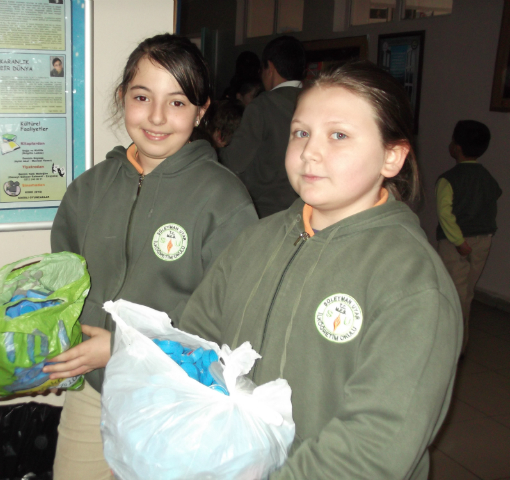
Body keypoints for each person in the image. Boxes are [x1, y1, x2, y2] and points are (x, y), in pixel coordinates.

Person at [179, 60, 462, 479]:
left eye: (339, 135)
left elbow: (373, 447)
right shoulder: (255, 240)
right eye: (301, 132)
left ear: (392, 157)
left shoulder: (412, 282)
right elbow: (193, 344)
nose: (310, 150)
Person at [45, 33, 258, 480]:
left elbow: (230, 325)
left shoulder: (224, 199)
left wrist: (123, 349)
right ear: (123, 97)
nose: (157, 117)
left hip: (176, 398)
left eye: (178, 103)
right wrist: (57, 343)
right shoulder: (88, 189)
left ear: (202, 111)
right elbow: (63, 287)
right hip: (93, 394)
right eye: (142, 97)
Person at [220, 35, 306, 218]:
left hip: (266, 212)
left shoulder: (263, 106)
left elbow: (235, 162)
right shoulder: (316, 100)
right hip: (305, 209)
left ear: (270, 68)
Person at [436, 120, 502, 355]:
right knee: (467, 292)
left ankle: (452, 345)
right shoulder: (487, 177)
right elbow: (493, 198)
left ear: (457, 147)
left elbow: (445, 214)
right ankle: (459, 342)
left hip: (456, 244)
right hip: (483, 240)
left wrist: (459, 242)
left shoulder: (449, 179)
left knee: (454, 294)